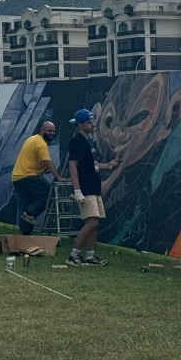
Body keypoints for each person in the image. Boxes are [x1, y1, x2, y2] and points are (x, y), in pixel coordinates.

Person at [66, 109, 120, 266]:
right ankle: (73, 255)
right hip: (86, 188)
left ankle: (90, 255)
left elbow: (90, 164)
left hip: (94, 188)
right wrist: (77, 191)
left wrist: (107, 165)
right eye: (89, 122)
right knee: (91, 222)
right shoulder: (76, 141)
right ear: (80, 124)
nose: (93, 124)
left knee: (96, 223)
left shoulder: (88, 141)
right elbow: (73, 165)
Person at [11, 121, 68, 235]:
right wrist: (58, 177)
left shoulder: (32, 139)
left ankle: (25, 233)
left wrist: (42, 170)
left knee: (25, 203)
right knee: (50, 193)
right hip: (28, 176)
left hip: (17, 177)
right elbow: (47, 162)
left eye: (53, 131)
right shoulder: (41, 143)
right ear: (42, 130)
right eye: (49, 131)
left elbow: (32, 160)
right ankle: (31, 212)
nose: (52, 133)